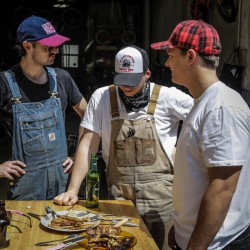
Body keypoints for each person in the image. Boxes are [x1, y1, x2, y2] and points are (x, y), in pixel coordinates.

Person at [53, 45, 193, 249]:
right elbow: (88, 145)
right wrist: (73, 190)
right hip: (119, 198)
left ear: (147, 73)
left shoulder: (169, 97)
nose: (126, 87)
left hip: (161, 201)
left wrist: (182, 152)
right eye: (122, 81)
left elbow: (206, 125)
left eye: (133, 81)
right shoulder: (102, 98)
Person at [151, 19, 250, 250]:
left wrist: (195, 245)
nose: (166, 63)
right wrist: (182, 226)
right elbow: (197, 173)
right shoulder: (203, 103)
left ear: (190, 56)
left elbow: (222, 188)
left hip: (218, 244)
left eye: (171, 55)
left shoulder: (222, 107)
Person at [0, 15, 87, 200]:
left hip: (63, 188)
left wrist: (77, 155)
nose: (55, 50)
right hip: (25, 191)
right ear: (27, 46)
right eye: (48, 46)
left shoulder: (62, 79)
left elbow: (89, 116)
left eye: (56, 45)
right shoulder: (5, 83)